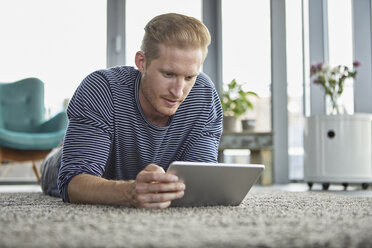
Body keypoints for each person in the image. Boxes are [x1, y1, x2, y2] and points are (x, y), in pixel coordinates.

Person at [41, 13, 223, 209]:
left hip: (148, 175)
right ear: (141, 62)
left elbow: (199, 181)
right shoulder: (101, 88)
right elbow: (72, 183)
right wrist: (129, 192)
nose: (178, 92)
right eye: (168, 74)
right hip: (71, 166)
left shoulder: (203, 94)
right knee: (64, 164)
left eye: (189, 77)